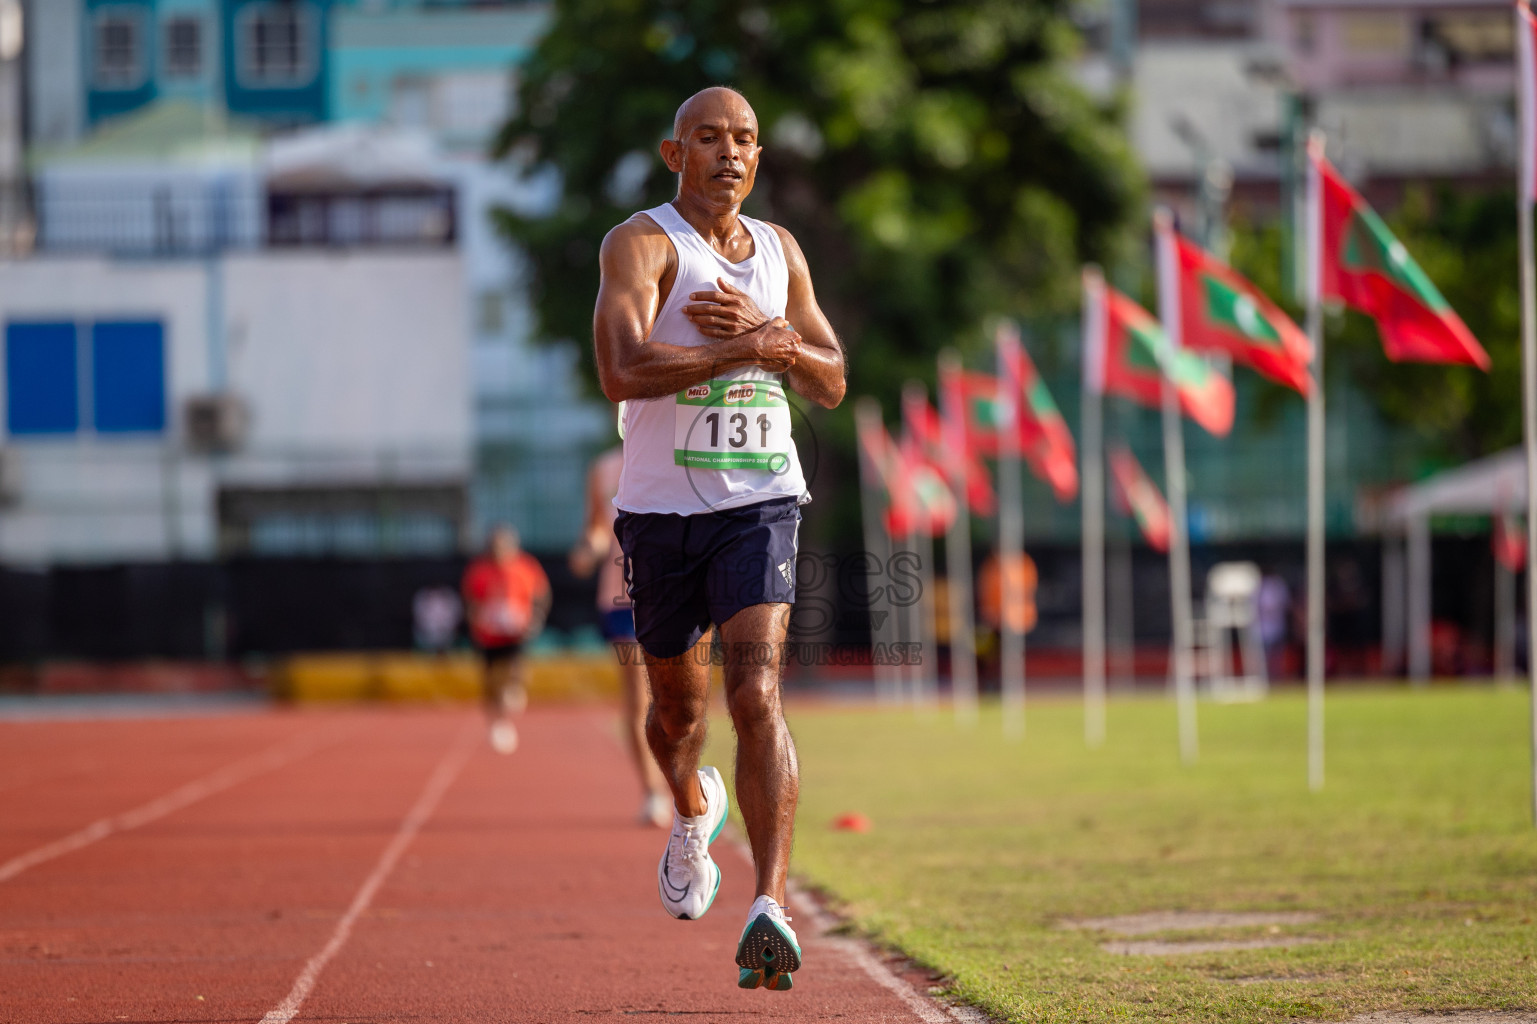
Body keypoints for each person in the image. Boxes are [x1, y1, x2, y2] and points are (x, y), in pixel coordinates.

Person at [592, 86, 846, 991]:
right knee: (676, 715)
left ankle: (768, 904)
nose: (729, 154)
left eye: (743, 139)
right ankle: (692, 807)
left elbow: (830, 378)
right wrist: (742, 350)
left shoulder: (781, 252)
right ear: (676, 153)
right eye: (709, 138)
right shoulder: (643, 243)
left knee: (756, 691)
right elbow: (621, 371)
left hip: (760, 500)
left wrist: (774, 344)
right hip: (660, 512)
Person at [569, 441, 673, 828]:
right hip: (621, 597)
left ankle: (681, 785)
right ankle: (652, 792)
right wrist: (588, 549)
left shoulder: (675, 451)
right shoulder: (604, 467)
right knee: (638, 698)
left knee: (674, 699)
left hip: (672, 593)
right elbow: (596, 527)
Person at [461, 525, 551, 754]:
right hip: (489, 635)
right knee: (490, 680)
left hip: (515, 632)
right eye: (495, 545)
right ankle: (498, 722)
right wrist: (477, 619)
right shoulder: (479, 570)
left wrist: (536, 618)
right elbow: (470, 601)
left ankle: (513, 693)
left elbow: (541, 595)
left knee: (514, 670)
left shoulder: (526, 567)